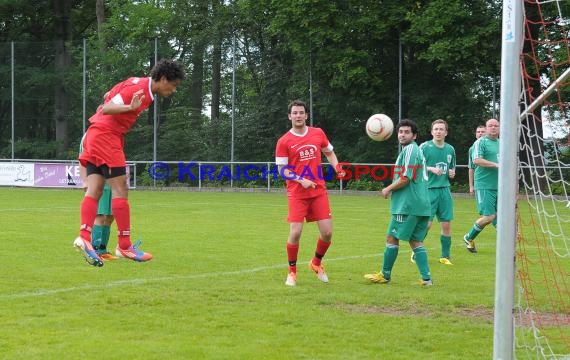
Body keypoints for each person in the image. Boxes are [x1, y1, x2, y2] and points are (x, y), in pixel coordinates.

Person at [73, 59, 185, 267]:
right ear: (162, 79)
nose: (174, 90)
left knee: (95, 189)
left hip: (96, 135)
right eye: (174, 84)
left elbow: (108, 96)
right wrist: (129, 107)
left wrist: (118, 103)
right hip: (106, 136)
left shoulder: (137, 83)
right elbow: (107, 107)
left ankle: (84, 237)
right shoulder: (140, 89)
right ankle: (124, 245)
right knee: (121, 188)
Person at [275, 99, 344, 286]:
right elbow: (282, 169)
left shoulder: (318, 133)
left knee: (327, 233)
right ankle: (292, 272)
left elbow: (329, 152)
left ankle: (316, 263)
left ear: (306, 115)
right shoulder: (284, 141)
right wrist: (301, 179)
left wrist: (337, 167)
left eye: (301, 112)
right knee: (296, 232)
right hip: (297, 192)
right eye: (295, 113)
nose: (298, 116)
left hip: (318, 190)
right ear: (290, 116)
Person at [364, 119, 433, 286]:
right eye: (400, 132)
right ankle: (427, 279)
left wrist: (388, 188)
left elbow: (406, 178)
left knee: (392, 237)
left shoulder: (410, 150)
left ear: (414, 136)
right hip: (420, 204)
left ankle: (385, 275)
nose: (402, 135)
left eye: (406, 132)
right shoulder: (413, 151)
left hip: (407, 205)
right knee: (415, 241)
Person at [416, 119, 456, 265]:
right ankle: (416, 251)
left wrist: (452, 173)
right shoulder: (424, 147)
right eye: (436, 129)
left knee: (446, 224)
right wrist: (431, 168)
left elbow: (452, 168)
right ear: (432, 132)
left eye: (441, 129)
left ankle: (445, 256)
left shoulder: (450, 149)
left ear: (446, 132)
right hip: (428, 190)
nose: (438, 131)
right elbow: (416, 165)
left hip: (444, 190)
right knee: (427, 224)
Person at [79, 130, 117, 261]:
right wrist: (85, 180)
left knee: (110, 216)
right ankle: (94, 250)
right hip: (98, 178)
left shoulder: (112, 133)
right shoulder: (90, 135)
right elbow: (82, 158)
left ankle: (102, 249)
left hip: (112, 179)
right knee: (100, 215)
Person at [463, 118, 500, 253]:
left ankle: (505, 245)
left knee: (501, 217)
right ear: (486, 128)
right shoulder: (480, 142)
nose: (493, 128)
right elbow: (476, 160)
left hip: (500, 186)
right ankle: (468, 237)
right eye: (490, 125)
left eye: (496, 125)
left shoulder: (501, 143)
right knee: (489, 216)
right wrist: (496, 165)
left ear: (500, 128)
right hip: (485, 185)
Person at [468, 125, 487, 194]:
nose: (480, 133)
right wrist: (471, 186)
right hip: (480, 182)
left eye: (482, 132)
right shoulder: (471, 149)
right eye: (478, 132)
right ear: (476, 134)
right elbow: (471, 168)